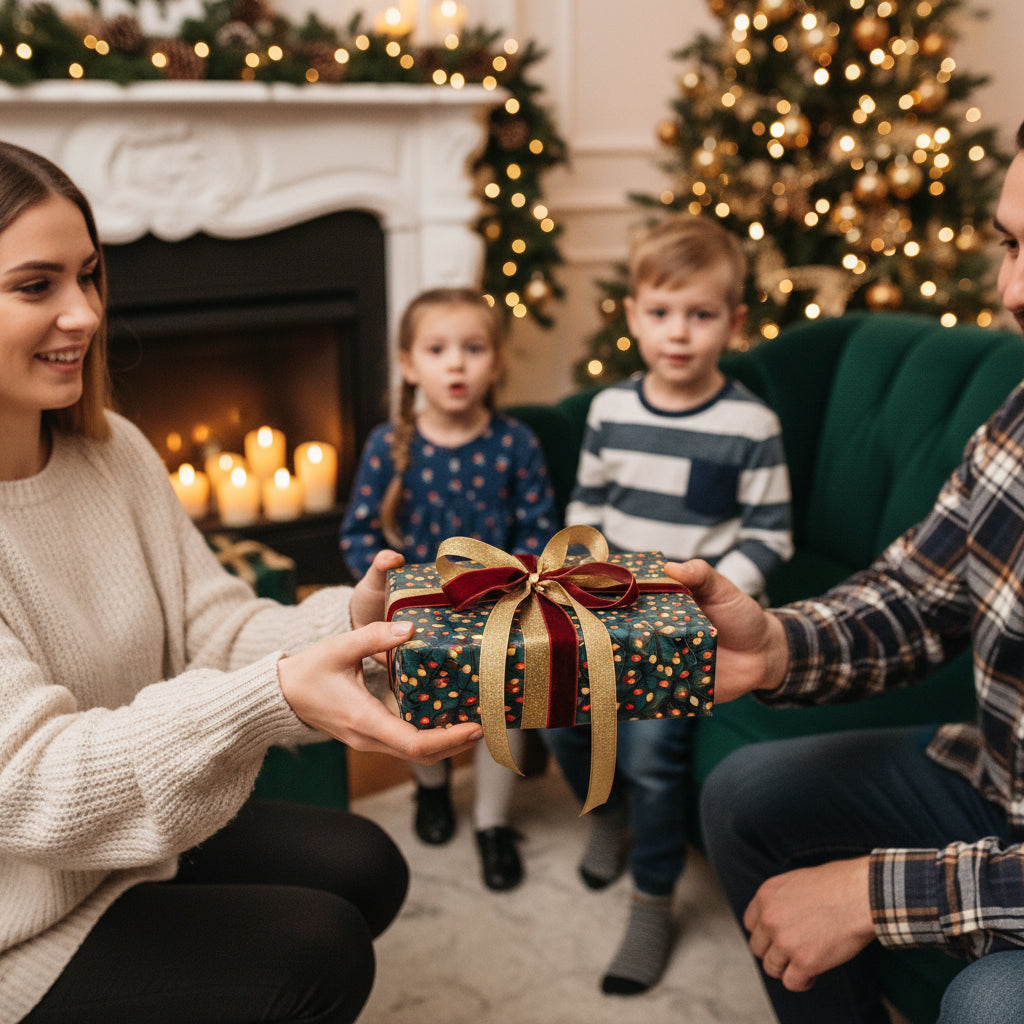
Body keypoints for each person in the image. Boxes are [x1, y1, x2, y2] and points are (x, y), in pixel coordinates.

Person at [0, 139, 483, 1024]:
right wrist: (274, 698)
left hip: (121, 853)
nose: (83, 314)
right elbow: (31, 782)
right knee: (315, 955)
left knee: (366, 864)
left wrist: (354, 630)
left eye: (90, 276)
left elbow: (210, 628)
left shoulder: (114, 453)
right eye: (36, 286)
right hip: (14, 922)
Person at [662, 118, 1024, 1024]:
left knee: (989, 1001)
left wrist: (873, 893)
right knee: (749, 792)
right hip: (1004, 782)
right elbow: (916, 594)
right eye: (1011, 246)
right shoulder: (1020, 420)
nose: (1013, 293)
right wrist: (775, 645)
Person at [543, 213, 793, 995]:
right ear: (632, 316)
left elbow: (771, 537)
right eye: (661, 313)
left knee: (655, 761)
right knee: (560, 714)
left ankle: (651, 899)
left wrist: (705, 598)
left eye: (701, 314)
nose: (678, 334)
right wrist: (582, 572)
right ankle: (604, 816)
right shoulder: (611, 412)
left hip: (683, 627)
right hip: (605, 608)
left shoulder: (750, 423)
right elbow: (586, 512)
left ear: (734, 322)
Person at [340, 286, 558, 891]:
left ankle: (491, 822)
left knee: (504, 707)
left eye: (473, 348)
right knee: (423, 707)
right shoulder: (389, 446)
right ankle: (431, 791)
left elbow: (541, 529)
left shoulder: (516, 444)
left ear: (497, 361)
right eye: (438, 349)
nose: (457, 363)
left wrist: (511, 578)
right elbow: (359, 530)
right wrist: (390, 579)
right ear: (410, 365)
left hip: (500, 613)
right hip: (421, 618)